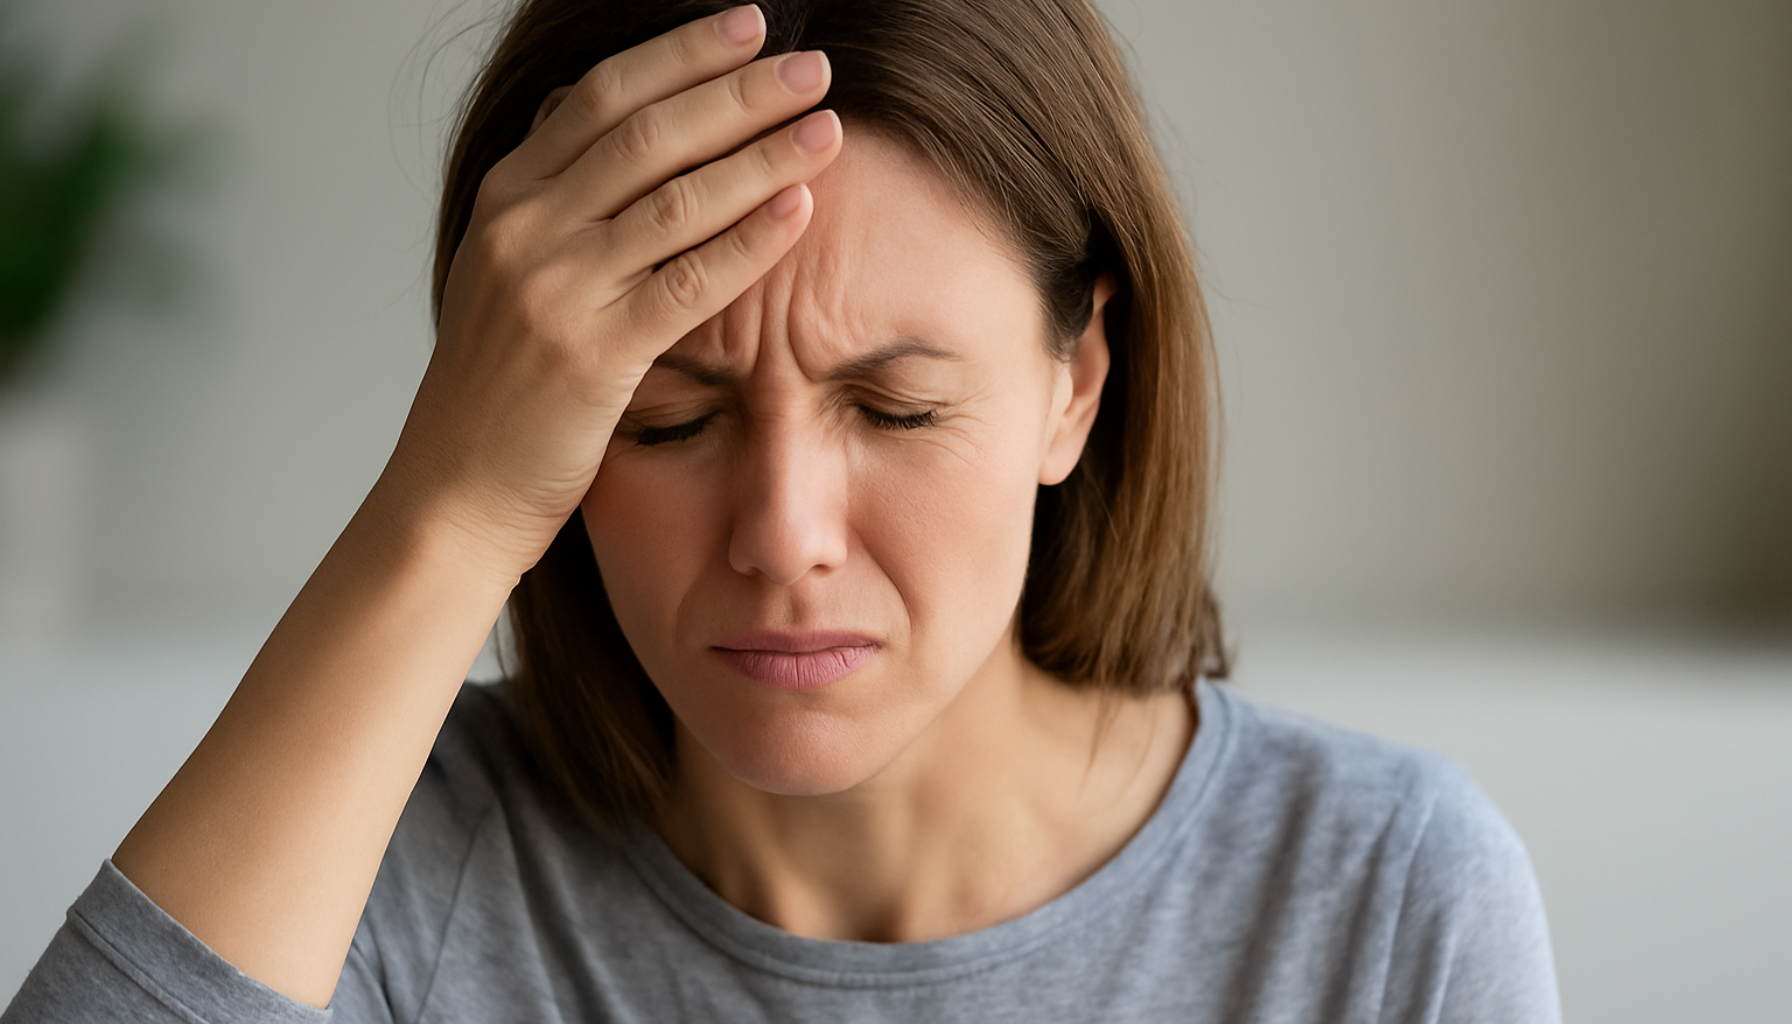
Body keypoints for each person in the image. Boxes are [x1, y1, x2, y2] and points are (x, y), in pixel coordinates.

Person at [3, 0, 1561, 1020]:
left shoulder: (1380, 900)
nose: (784, 532)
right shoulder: (398, 867)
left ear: (1076, 381)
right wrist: (451, 508)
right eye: (668, 417)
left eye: (895, 410)